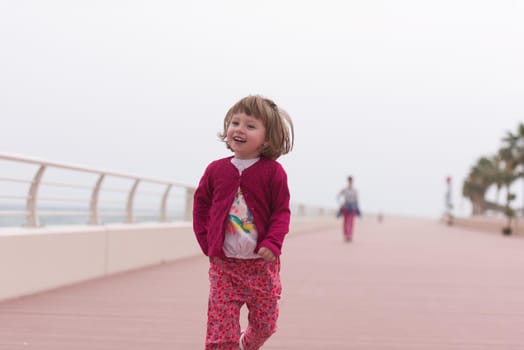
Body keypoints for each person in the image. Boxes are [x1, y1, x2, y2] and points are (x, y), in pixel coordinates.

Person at [193, 95, 294, 350]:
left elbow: (281, 212)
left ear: (267, 138)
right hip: (224, 266)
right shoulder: (215, 170)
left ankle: (244, 345)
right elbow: (201, 205)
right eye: (234, 122)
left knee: (265, 326)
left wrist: (273, 242)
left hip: (261, 266)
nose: (239, 129)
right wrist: (206, 240)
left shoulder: (273, 172)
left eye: (250, 126)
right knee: (220, 333)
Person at [336, 176, 360, 241]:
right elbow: (338, 196)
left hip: (352, 208)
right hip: (346, 207)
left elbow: (357, 200)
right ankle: (346, 235)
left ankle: (349, 235)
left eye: (351, 181)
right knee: (345, 222)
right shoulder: (345, 189)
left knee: (351, 222)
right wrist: (341, 203)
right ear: (348, 181)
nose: (350, 182)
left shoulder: (355, 190)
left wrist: (357, 208)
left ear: (352, 182)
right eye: (349, 181)